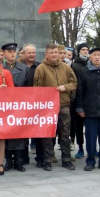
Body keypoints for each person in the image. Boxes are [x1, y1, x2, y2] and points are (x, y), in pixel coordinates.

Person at [33, 43, 78, 171]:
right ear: (46, 54)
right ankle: (47, 160)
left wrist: (65, 88)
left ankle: (66, 160)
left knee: (65, 134)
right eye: (51, 52)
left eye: (56, 52)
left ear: (59, 53)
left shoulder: (66, 67)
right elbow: (36, 89)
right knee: (47, 134)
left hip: (64, 105)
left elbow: (74, 83)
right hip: (47, 107)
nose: (54, 55)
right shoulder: (41, 68)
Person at [2, 42, 28, 171]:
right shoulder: (0, 68)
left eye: (14, 51)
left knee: (19, 133)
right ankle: (8, 161)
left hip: (19, 104)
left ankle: (19, 161)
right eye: (9, 51)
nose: (12, 53)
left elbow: (28, 87)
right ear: (4, 54)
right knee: (6, 133)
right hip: (4, 106)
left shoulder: (24, 68)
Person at [71, 43, 90, 159]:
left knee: (91, 127)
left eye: (87, 50)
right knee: (78, 127)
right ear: (78, 51)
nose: (85, 51)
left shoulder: (91, 64)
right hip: (78, 100)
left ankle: (91, 148)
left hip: (91, 101)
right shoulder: (74, 65)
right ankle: (81, 148)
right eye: (83, 49)